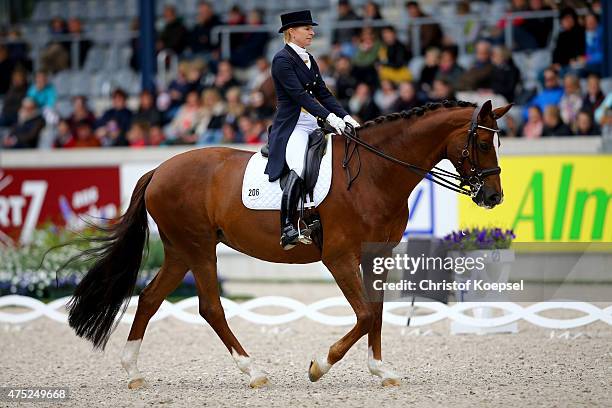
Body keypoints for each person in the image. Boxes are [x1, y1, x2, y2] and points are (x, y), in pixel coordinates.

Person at [266, 10, 359, 250]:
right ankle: (287, 227)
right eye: (307, 28)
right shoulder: (282, 59)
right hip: (293, 125)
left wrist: (345, 116)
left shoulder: (309, 58)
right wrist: (329, 117)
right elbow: (298, 95)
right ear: (291, 32)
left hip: (314, 123)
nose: (312, 32)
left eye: (311, 28)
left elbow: (323, 93)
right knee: (299, 166)